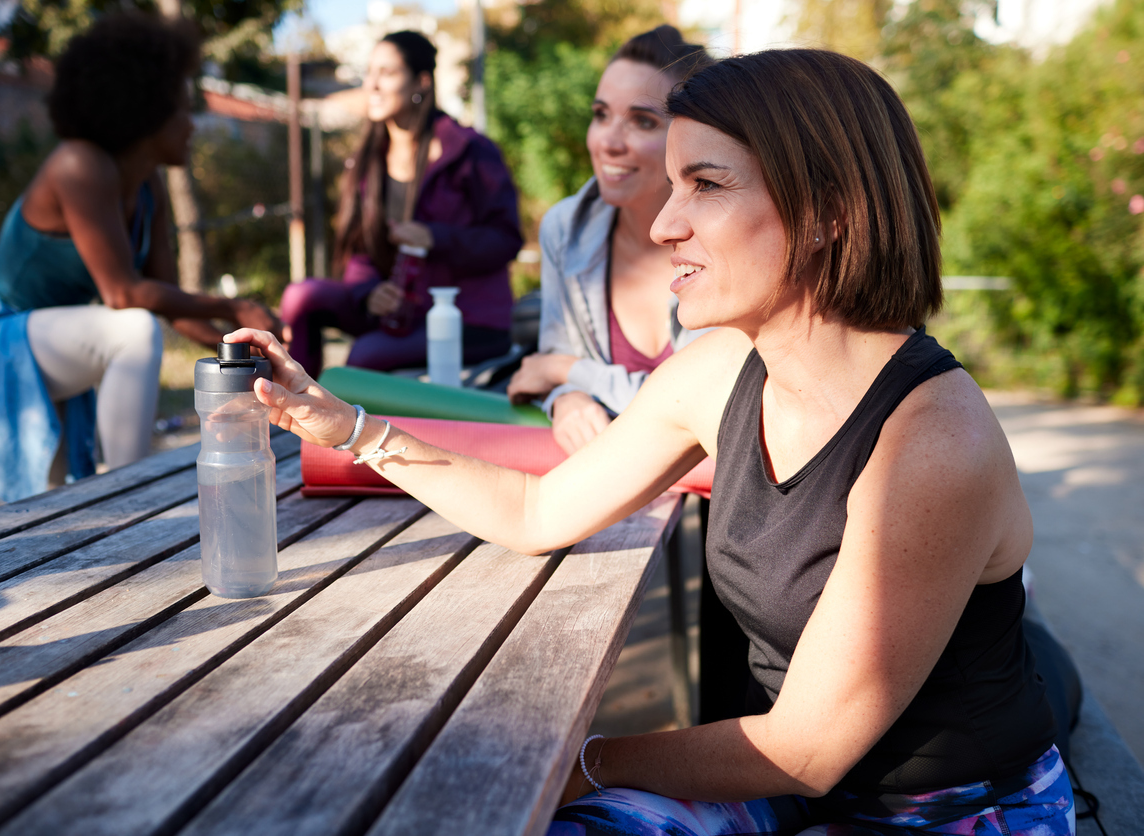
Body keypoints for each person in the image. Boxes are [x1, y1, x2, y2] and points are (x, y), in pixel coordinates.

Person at [230, 48, 1073, 835]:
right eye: (672, 185)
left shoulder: (931, 440)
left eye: (704, 184)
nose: (665, 224)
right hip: (788, 791)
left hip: (952, 811)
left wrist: (565, 762)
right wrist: (352, 430)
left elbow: (804, 749)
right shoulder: (719, 373)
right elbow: (536, 509)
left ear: (827, 214)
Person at [0, 13, 283, 503]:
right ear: (145, 109)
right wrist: (234, 305)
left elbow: (170, 304)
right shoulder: (79, 164)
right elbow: (123, 294)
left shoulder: (149, 185)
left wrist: (243, 341)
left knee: (50, 507)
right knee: (131, 328)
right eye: (182, 106)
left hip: (49, 338)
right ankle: (128, 494)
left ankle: (109, 513)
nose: (192, 122)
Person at [507, 25, 714, 454]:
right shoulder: (565, 227)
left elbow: (701, 407)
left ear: (693, 138)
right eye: (601, 114)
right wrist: (567, 397)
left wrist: (568, 372)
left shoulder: (721, 237)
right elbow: (548, 366)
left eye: (642, 121)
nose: (608, 141)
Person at [278, 30, 521, 378]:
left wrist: (435, 238)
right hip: (397, 312)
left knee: (364, 356)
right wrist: (367, 292)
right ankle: (294, 408)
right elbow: (359, 251)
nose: (371, 85)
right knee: (301, 296)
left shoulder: (470, 152)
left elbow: (506, 239)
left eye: (387, 73)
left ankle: (333, 426)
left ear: (421, 81)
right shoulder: (367, 161)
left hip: (467, 319)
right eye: (370, 72)